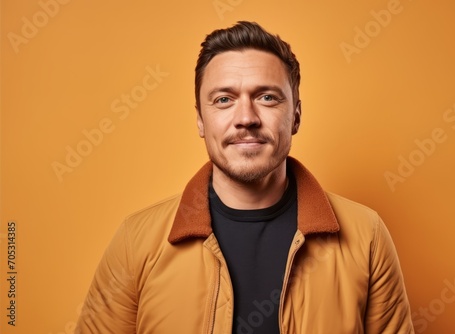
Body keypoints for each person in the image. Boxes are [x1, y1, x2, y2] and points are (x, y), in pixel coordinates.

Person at [75, 21, 414, 333]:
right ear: (200, 121)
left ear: (295, 116)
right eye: (224, 100)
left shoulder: (366, 236)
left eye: (267, 97)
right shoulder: (137, 241)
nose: (246, 118)